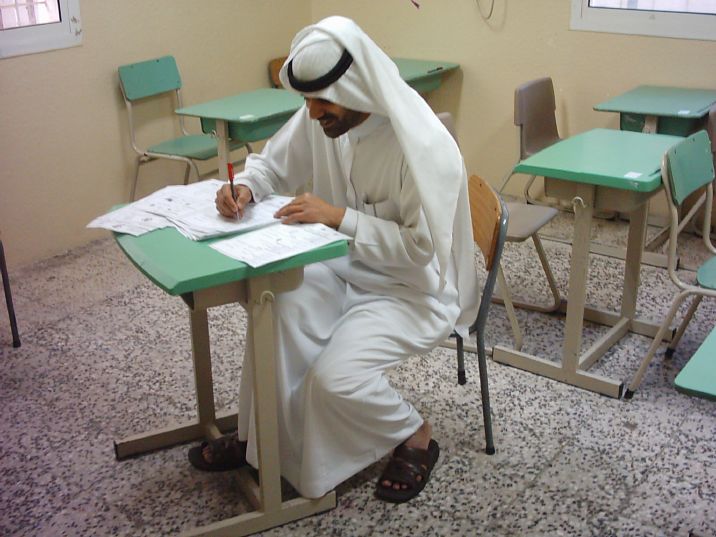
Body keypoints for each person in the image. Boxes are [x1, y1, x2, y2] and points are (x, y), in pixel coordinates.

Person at [188, 15, 479, 504]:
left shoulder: (422, 145)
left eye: (321, 101)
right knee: (273, 308)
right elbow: (272, 163)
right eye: (307, 101)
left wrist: (339, 217)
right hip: (343, 267)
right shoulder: (326, 117)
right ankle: (260, 442)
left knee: (332, 381)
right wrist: (247, 186)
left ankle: (413, 432)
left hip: (411, 291)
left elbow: (421, 250)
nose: (311, 113)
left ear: (357, 87)